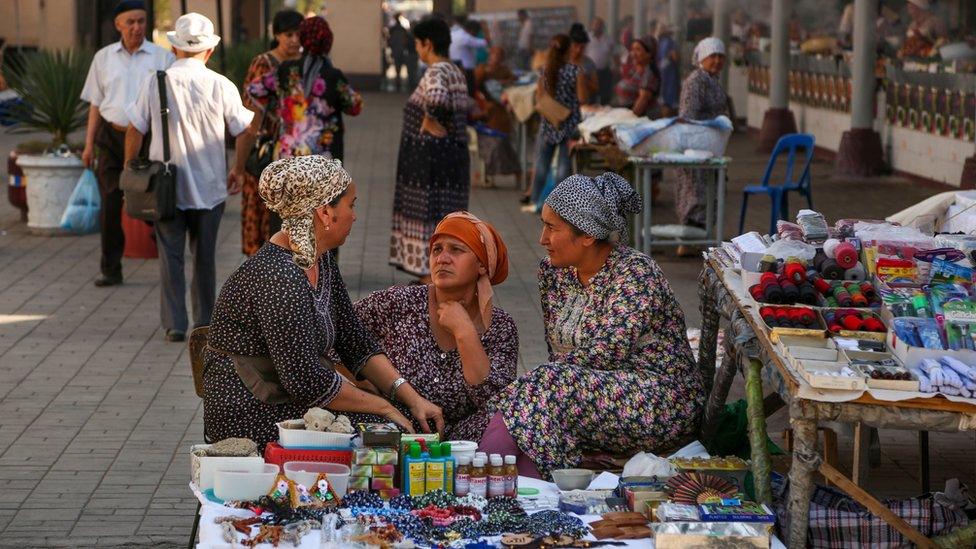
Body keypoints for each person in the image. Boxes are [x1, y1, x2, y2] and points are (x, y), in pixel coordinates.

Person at [203, 156, 445, 448]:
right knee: (388, 430)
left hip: (289, 395)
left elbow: (354, 341)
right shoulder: (279, 277)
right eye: (351, 205)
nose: (354, 216)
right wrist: (383, 406)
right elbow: (307, 383)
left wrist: (409, 397)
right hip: (250, 411)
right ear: (325, 213)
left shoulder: (320, 259)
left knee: (409, 415)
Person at [481, 173, 706, 478]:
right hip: (588, 395)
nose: (542, 239)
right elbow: (558, 354)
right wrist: (537, 387)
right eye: (542, 225)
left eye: (552, 228)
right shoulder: (554, 272)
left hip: (659, 400)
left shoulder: (635, 273)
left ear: (587, 235)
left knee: (538, 388)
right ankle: (519, 486)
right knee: (532, 396)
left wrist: (532, 384)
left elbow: (607, 350)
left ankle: (490, 482)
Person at [124, 13, 251, 342]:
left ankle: (175, 324)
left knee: (171, 256)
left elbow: (134, 129)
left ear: (175, 48)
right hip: (211, 187)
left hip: (165, 188)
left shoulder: (156, 81)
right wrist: (238, 168)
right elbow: (244, 130)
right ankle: (205, 323)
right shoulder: (222, 85)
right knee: (205, 258)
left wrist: (129, 170)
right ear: (209, 52)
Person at [355, 212, 517, 441]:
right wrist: (370, 394)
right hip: (392, 431)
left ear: (481, 265)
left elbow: (493, 400)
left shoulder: (501, 327)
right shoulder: (398, 303)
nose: (442, 259)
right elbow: (337, 336)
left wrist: (465, 333)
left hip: (465, 444)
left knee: (509, 421)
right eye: (437, 249)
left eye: (456, 250)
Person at [80, 0, 174, 287]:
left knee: (153, 200)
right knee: (110, 202)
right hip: (111, 137)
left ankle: (169, 264)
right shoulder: (104, 58)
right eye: (130, 22)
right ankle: (111, 268)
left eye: (141, 21)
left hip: (148, 138)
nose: (136, 27)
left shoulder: (162, 58)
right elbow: (96, 104)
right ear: (118, 25)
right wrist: (87, 145)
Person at [390, 17, 472, 283]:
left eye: (417, 43)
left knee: (429, 217)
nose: (416, 49)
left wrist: (428, 118)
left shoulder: (436, 71)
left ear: (427, 43)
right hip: (452, 160)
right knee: (446, 219)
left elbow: (436, 100)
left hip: (430, 164)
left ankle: (429, 277)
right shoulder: (455, 71)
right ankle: (441, 275)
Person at [242, 16, 363, 163]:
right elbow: (355, 107)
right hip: (324, 158)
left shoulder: (285, 70)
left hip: (287, 155)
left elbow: (253, 89)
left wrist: (280, 109)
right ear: (328, 41)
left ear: (302, 39)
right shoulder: (334, 76)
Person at [239, 9, 303, 257]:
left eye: (298, 34)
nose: (294, 40)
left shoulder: (302, 64)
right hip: (265, 151)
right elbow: (250, 110)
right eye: (288, 34)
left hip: (296, 154)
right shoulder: (263, 63)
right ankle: (261, 269)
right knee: (261, 212)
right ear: (276, 35)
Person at [675, 37, 730, 257]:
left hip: (709, 147)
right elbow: (688, 116)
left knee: (707, 192)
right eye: (712, 56)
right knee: (695, 194)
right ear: (701, 59)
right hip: (695, 147)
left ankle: (700, 239)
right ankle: (686, 242)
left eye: (720, 56)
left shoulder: (712, 79)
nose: (717, 61)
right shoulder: (696, 81)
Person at [523, 34, 587, 210]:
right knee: (563, 167)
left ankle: (536, 200)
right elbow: (582, 98)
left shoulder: (544, 70)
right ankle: (559, 206)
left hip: (549, 122)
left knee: (542, 163)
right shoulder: (576, 71)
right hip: (569, 124)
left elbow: (539, 96)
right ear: (569, 49)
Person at [473, 47, 523, 188]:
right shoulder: (482, 70)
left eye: (499, 55)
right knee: (498, 144)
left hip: (501, 113)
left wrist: (505, 82)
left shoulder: (504, 70)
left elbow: (514, 80)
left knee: (505, 143)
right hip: (487, 113)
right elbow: (474, 88)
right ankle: (491, 176)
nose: (496, 58)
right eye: (494, 55)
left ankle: (516, 174)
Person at [613, 38, 660, 118]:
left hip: (641, 121)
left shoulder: (649, 74)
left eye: (638, 50)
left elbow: (640, 105)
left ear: (649, 54)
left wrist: (625, 121)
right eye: (632, 50)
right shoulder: (635, 71)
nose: (633, 54)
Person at [585, 17, 615, 105]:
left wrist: (616, 67)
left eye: (599, 24)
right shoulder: (587, 38)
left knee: (605, 97)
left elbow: (615, 54)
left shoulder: (608, 39)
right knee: (591, 97)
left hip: (604, 71)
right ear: (592, 26)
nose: (597, 27)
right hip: (590, 72)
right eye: (595, 24)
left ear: (603, 26)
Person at [568, 23, 599, 106]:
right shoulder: (561, 61)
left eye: (582, 47)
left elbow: (595, 87)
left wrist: (583, 80)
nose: (578, 50)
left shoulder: (589, 63)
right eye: (575, 46)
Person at [656, 22, 680, 117]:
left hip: (661, 74)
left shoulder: (658, 42)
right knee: (670, 102)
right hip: (670, 75)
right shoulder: (671, 42)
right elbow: (675, 57)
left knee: (663, 101)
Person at [388, 14, 411, 92]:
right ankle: (398, 83)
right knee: (399, 67)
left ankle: (398, 82)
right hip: (400, 50)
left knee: (397, 67)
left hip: (396, 50)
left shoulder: (393, 29)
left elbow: (390, 40)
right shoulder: (402, 29)